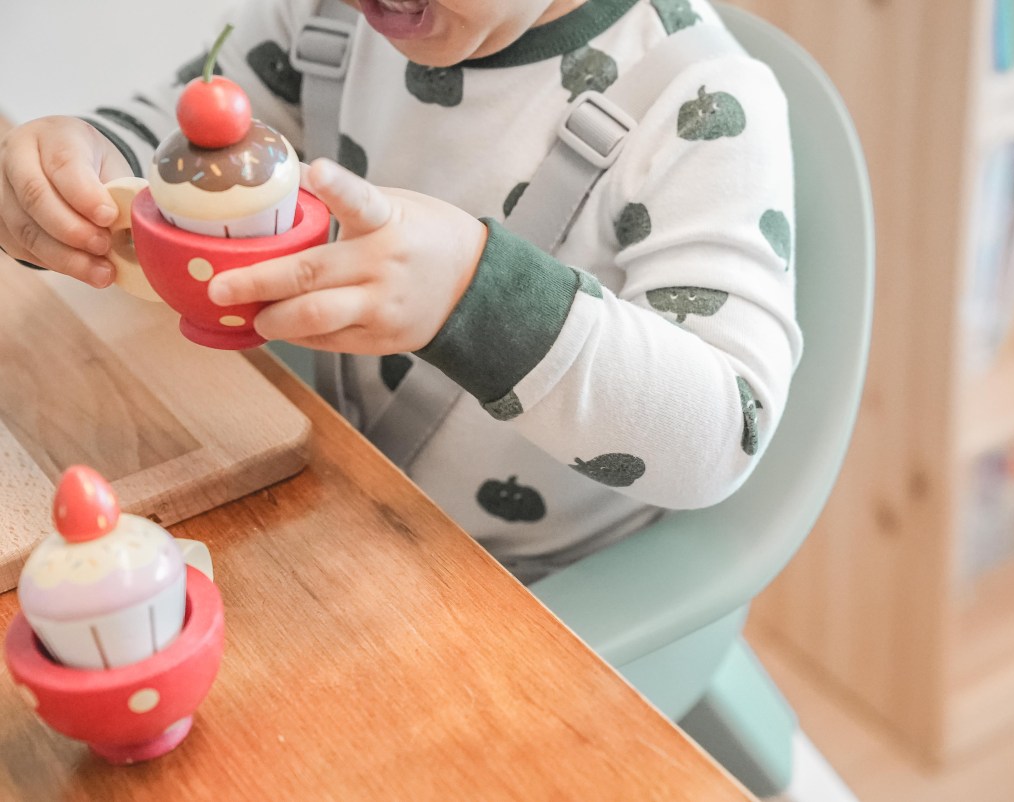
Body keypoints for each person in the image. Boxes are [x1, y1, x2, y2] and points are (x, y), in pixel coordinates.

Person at [0, 0, 800, 583]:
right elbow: (196, 154)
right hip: (347, 499)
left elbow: (726, 428)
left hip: (543, 579)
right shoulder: (329, 21)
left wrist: (472, 295)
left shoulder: (702, 108)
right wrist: (83, 168)